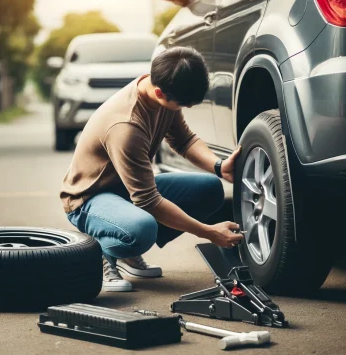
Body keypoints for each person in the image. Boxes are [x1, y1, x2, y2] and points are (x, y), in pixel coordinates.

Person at [60, 46, 243, 292]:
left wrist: (219, 167)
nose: (184, 109)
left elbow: (184, 140)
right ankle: (106, 251)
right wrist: (209, 232)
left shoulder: (161, 89)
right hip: (89, 200)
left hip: (126, 191)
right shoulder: (126, 127)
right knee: (142, 228)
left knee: (210, 188)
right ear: (159, 92)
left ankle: (127, 248)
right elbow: (147, 200)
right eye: (181, 104)